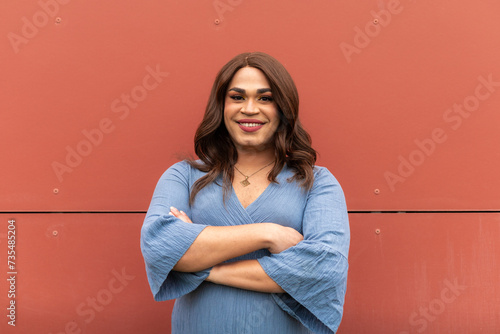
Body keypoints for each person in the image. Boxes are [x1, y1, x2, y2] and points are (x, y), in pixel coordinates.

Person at [140, 52, 350, 334]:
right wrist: (268, 234)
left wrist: (202, 267)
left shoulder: (316, 183)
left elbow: (323, 267)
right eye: (237, 97)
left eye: (265, 98)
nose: (250, 109)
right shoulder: (184, 176)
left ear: (283, 108)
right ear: (221, 106)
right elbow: (159, 245)